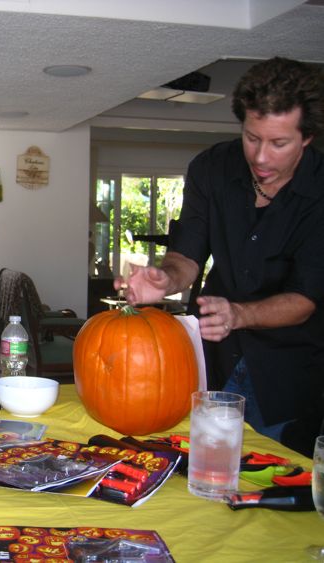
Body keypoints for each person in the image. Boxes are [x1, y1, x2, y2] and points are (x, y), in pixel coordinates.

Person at [115, 57, 324, 454]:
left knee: (271, 492)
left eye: (279, 143)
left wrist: (240, 315)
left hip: (288, 376)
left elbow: (305, 299)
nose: (261, 157)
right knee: (201, 477)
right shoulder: (212, 168)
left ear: (307, 137)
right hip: (213, 362)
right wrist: (166, 279)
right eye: (252, 137)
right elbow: (187, 256)